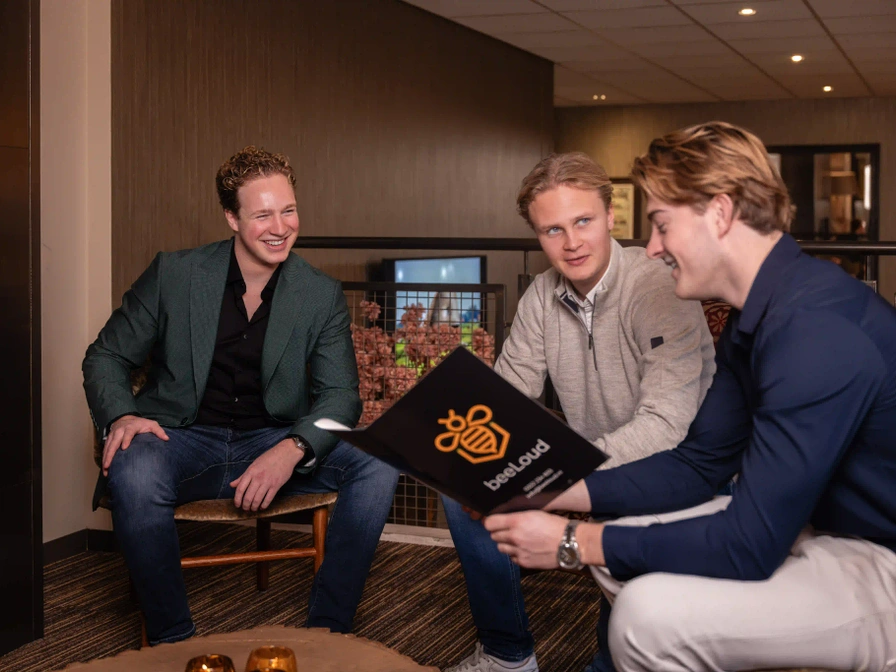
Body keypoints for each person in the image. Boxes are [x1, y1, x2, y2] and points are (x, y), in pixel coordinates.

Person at [484, 121, 896, 672]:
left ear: (719, 214)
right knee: (621, 548)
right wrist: (554, 491)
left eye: (661, 225)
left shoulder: (815, 330)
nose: (652, 247)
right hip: (825, 527)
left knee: (644, 616)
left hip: (881, 557)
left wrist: (571, 541)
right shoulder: (758, 318)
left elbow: (751, 542)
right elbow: (698, 464)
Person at [83, 146, 399, 646]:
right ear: (232, 218)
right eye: (263, 215)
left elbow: (341, 395)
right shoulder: (174, 274)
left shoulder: (319, 293)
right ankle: (173, 644)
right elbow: (106, 356)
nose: (281, 227)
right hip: (182, 440)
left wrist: (293, 448)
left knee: (379, 459)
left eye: (289, 210)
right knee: (133, 466)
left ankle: (327, 632)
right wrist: (121, 415)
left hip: (272, 439)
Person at [443, 152, 716, 672]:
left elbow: (668, 427)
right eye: (553, 230)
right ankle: (507, 654)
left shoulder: (657, 287)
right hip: (589, 466)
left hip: (675, 472)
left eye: (583, 221)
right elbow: (503, 399)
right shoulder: (541, 296)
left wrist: (556, 474)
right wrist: (456, 444)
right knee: (462, 485)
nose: (571, 243)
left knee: (617, 656)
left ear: (610, 216)